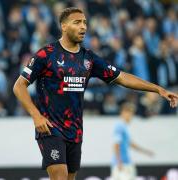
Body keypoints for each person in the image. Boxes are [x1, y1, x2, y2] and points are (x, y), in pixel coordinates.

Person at [13, 7, 178, 180]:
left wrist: (158, 89)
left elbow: (122, 77)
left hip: (75, 131)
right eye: (77, 22)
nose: (83, 27)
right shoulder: (46, 54)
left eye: (84, 22)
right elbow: (19, 86)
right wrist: (36, 116)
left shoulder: (89, 59)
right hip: (51, 129)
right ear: (64, 26)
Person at [111, 102, 153, 180]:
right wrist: (119, 162)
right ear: (123, 112)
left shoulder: (124, 126)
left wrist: (146, 152)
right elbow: (116, 144)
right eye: (129, 113)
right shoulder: (119, 126)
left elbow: (130, 144)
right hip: (122, 164)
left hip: (125, 163)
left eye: (132, 114)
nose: (131, 116)